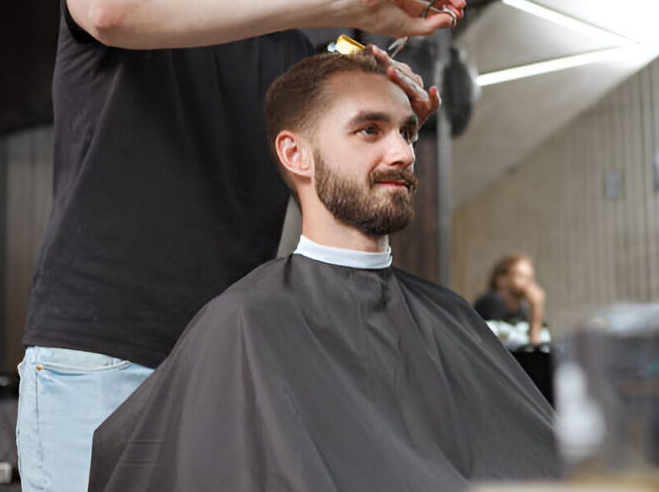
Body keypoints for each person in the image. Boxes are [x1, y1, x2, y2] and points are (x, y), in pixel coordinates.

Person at [17, 0, 466, 489]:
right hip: (104, 355)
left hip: (228, 364)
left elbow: (336, 177)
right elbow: (109, 10)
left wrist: (383, 121)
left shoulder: (291, 52)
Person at [87, 50, 561, 491]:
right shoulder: (244, 323)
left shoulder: (452, 315)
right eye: (370, 130)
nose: (404, 154)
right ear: (296, 154)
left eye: (408, 132)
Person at [474, 255, 547, 345]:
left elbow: (533, 346)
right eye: (521, 276)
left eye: (530, 278)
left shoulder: (522, 310)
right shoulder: (493, 302)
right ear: (501, 279)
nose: (527, 284)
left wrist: (536, 310)